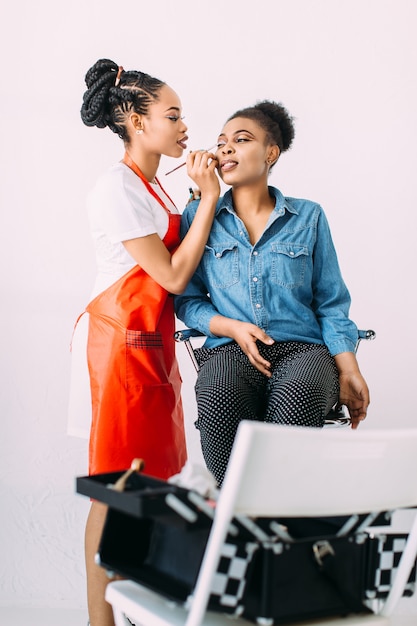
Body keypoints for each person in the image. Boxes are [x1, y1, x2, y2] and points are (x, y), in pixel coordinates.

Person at [69, 58, 220, 626]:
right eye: (173, 115)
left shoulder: (152, 184)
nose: (185, 127)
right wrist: (206, 199)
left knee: (149, 482)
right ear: (135, 119)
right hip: (118, 348)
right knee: (115, 487)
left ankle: (134, 608)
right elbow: (174, 276)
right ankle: (99, 620)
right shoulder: (115, 187)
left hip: (149, 346)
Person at [175, 100, 370, 487]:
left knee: (297, 396)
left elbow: (331, 303)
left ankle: (275, 516)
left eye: (242, 139)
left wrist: (349, 370)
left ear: (271, 153)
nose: (226, 148)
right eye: (221, 142)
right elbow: (187, 300)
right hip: (230, 348)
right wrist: (231, 327)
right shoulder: (198, 217)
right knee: (217, 397)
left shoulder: (309, 216)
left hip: (303, 349)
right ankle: (244, 516)